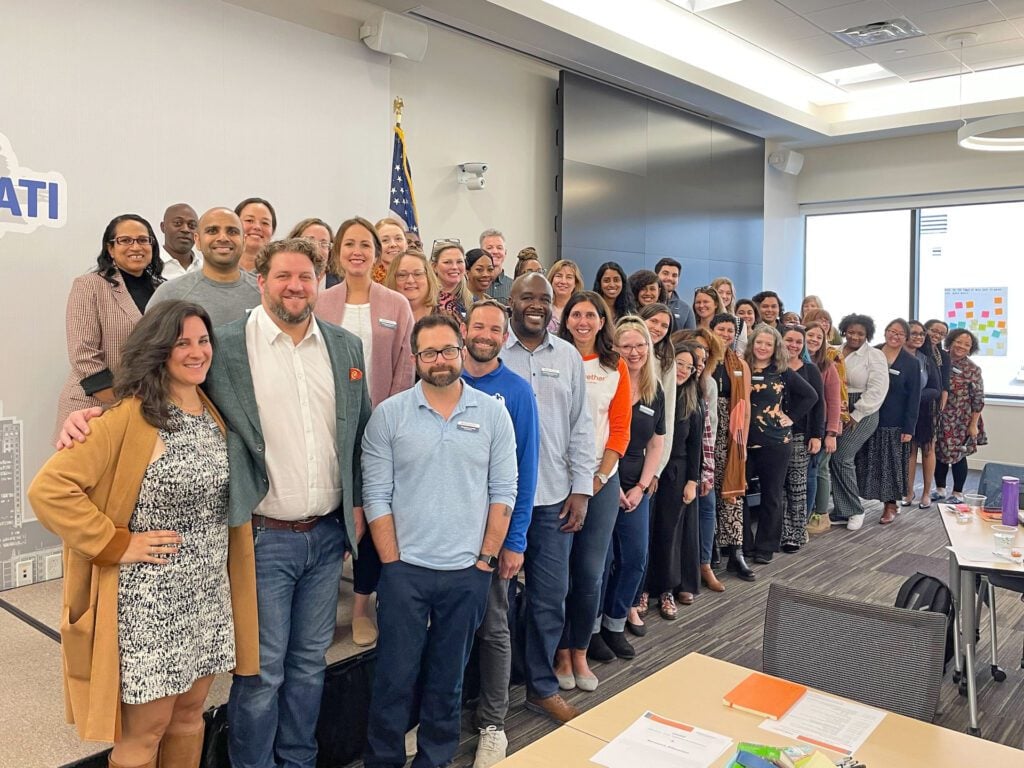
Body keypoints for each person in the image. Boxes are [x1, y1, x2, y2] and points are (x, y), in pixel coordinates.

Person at [58, 238, 371, 768]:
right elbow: (158, 383)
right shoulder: (224, 346)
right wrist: (87, 414)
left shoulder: (344, 347)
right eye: (283, 276)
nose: (295, 286)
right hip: (262, 536)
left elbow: (358, 431)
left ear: (320, 281)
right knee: (261, 670)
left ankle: (297, 760)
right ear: (261, 280)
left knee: (309, 665)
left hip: (325, 537)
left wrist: (357, 516)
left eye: (306, 277)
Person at [31, 301, 258, 768]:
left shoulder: (213, 411)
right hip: (150, 605)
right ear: (158, 350)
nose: (197, 353)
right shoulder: (127, 418)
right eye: (182, 343)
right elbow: (50, 490)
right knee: (144, 734)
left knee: (190, 717)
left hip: (207, 597)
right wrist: (117, 543)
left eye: (202, 341)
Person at [360, 314, 517, 768]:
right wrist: (392, 563)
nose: (441, 360)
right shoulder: (389, 415)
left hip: (468, 573)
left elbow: (503, 490)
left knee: (447, 681)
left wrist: (486, 559)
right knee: (393, 680)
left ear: (462, 349)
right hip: (405, 571)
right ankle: (383, 760)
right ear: (415, 358)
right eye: (429, 352)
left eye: (449, 350)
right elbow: (376, 494)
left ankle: (435, 759)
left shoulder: (492, 413)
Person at [316, 217, 415, 646]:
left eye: (365, 245)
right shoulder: (321, 302)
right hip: (327, 428)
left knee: (374, 511)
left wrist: (387, 420)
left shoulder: (396, 304)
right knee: (329, 514)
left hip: (380, 427)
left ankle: (361, 606)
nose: (357, 251)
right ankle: (320, 606)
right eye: (349, 243)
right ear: (338, 251)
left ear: (377, 254)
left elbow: (404, 367)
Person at [502, 273, 594, 724]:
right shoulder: (490, 354)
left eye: (544, 298)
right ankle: (491, 691)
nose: (536, 305)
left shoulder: (570, 356)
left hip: (554, 498)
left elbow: (582, 426)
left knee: (549, 598)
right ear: (510, 302)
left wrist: (581, 488)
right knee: (493, 602)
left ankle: (540, 687)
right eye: (527, 297)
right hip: (497, 504)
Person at [460, 299, 540, 768]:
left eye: (494, 327)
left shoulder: (516, 391)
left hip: (493, 537)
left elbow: (524, 471)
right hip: (441, 537)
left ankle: (493, 723)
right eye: (478, 325)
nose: (486, 333)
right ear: (465, 329)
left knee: (493, 629)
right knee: (444, 631)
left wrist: (516, 541)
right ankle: (438, 714)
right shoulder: (441, 380)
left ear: (503, 334)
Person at [555, 291, 631, 690]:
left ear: (603, 321)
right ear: (566, 320)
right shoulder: (553, 360)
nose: (583, 321)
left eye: (591, 315)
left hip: (601, 481)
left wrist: (598, 479)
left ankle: (579, 652)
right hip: (556, 480)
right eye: (576, 314)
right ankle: (557, 652)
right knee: (556, 577)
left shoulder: (614, 367)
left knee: (589, 574)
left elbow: (620, 429)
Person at [55, 213, 164, 438]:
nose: (136, 246)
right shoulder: (90, 286)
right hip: (93, 406)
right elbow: (84, 354)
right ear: (110, 249)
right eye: (125, 240)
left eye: (143, 240)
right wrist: (122, 404)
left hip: (147, 408)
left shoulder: (164, 289)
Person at [597, 317, 664, 659]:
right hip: (603, 481)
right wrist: (612, 481)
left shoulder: (655, 389)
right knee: (602, 560)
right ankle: (592, 629)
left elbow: (656, 443)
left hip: (637, 487)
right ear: (615, 349)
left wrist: (641, 485)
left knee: (635, 559)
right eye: (627, 346)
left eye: (640, 346)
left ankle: (614, 622)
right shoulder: (606, 381)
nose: (635, 352)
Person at [743, 324, 817, 563]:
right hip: (743, 442)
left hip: (775, 443)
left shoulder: (782, 371)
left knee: (772, 495)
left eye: (768, 344)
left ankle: (766, 546)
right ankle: (745, 544)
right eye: (759, 342)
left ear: (775, 348)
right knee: (739, 494)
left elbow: (811, 395)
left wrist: (791, 417)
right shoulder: (740, 368)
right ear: (752, 344)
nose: (763, 347)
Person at [649, 340, 702, 620]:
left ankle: (666, 589)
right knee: (648, 531)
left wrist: (692, 481)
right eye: (679, 364)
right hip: (648, 470)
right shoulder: (656, 390)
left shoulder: (692, 401)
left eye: (689, 366)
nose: (683, 370)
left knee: (669, 534)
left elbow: (695, 446)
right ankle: (644, 588)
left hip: (677, 472)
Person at [855, 319, 922, 525]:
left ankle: (890, 505)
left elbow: (914, 398)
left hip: (895, 422)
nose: (895, 336)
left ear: (906, 338)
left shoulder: (911, 363)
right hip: (867, 416)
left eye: (901, 334)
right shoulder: (871, 353)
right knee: (864, 462)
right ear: (885, 332)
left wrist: (909, 428)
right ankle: (854, 505)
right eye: (892, 331)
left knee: (891, 466)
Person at [148, 208, 261, 327]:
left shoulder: (266, 292)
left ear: (243, 241)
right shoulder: (169, 294)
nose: (223, 238)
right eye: (212, 231)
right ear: (197, 240)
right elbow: (146, 343)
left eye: (232, 232)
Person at [829, 314, 889, 530]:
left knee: (842, 456)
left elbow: (877, 390)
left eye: (860, 334)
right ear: (844, 331)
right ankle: (841, 510)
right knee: (832, 456)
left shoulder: (874, 356)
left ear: (867, 336)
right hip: (836, 405)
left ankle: (855, 509)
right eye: (851, 332)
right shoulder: (834, 351)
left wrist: (856, 414)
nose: (855, 336)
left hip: (862, 410)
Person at [709, 313, 752, 580]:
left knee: (733, 493)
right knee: (709, 489)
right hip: (707, 429)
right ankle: (710, 548)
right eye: (720, 329)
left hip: (732, 433)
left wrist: (742, 443)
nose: (725, 334)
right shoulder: (703, 358)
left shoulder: (740, 365)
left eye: (729, 330)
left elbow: (745, 406)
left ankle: (736, 551)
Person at [780, 324, 824, 551]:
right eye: (789, 340)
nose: (794, 345)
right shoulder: (772, 366)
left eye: (799, 342)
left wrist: (817, 435)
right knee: (778, 487)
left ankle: (794, 535)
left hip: (800, 435)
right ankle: (777, 532)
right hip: (774, 436)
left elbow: (819, 405)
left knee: (797, 487)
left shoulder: (810, 369)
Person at [935, 329, 987, 503]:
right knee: (939, 452)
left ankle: (957, 493)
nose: (962, 346)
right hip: (939, 416)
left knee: (958, 456)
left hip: (961, 419)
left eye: (967, 344)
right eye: (959, 342)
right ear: (950, 341)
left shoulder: (972, 369)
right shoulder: (939, 360)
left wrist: (974, 424)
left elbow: (978, 399)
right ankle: (940, 489)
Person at [803, 323, 844, 535]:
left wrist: (831, 433)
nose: (814, 340)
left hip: (823, 427)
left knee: (819, 469)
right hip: (800, 427)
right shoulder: (791, 362)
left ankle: (820, 514)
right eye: (810, 335)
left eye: (819, 337)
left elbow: (834, 402)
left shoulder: (827, 366)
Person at [901, 321, 942, 510]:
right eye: (914, 333)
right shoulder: (893, 356)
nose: (918, 337)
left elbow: (936, 389)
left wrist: (915, 397)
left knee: (927, 450)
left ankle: (926, 493)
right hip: (900, 411)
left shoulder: (926, 359)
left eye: (921, 334)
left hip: (924, 410)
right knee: (908, 452)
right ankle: (908, 492)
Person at [385, 250, 439, 321]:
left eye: (417, 274)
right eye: (402, 275)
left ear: (429, 277)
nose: (410, 280)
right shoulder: (382, 317)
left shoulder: (448, 318)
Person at [288, 217, 335, 288]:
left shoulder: (344, 287)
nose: (317, 249)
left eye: (324, 243)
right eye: (310, 242)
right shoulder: (281, 281)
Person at [158, 203, 201, 279]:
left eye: (192, 225)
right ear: (163, 227)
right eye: (178, 223)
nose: (185, 229)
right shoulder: (149, 268)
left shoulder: (205, 269)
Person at [431, 240, 472, 318]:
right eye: (447, 262)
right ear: (434, 267)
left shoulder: (472, 301)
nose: (454, 267)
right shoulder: (423, 299)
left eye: (459, 262)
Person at [234, 197, 276, 273]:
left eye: (265, 223)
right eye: (249, 220)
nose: (257, 227)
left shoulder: (278, 273)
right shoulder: (217, 270)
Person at [655, 258, 695, 329]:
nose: (670, 278)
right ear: (656, 275)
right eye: (665, 273)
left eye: (674, 275)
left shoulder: (685, 309)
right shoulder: (646, 302)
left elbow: (690, 338)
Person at [546, 259, 584, 333]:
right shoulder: (544, 308)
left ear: (575, 283)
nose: (563, 281)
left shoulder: (581, 310)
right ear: (551, 280)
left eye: (569, 277)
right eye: (559, 276)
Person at [374, 217, 408, 284]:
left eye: (398, 239)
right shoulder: (366, 280)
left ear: (406, 244)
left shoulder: (420, 274)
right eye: (385, 240)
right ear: (375, 246)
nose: (393, 244)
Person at [481, 228, 512, 302]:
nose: (495, 251)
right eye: (489, 248)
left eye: (499, 248)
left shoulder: (514, 286)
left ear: (505, 253)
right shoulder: (471, 285)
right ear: (481, 252)